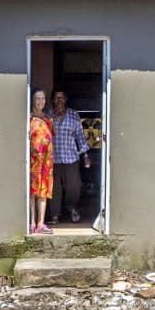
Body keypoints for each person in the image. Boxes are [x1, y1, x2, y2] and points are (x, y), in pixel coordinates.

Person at [46, 89, 91, 224]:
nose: (59, 100)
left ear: (65, 100)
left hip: (71, 158)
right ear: (52, 100)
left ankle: (72, 208)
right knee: (54, 188)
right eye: (56, 98)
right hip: (52, 159)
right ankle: (54, 215)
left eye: (62, 98)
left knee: (74, 186)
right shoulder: (48, 115)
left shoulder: (73, 115)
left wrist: (86, 155)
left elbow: (80, 137)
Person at [28, 88, 54, 234]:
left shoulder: (48, 119)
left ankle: (40, 223)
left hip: (47, 162)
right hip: (33, 161)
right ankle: (32, 222)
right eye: (38, 98)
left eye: (43, 98)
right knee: (33, 192)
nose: (40, 101)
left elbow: (51, 138)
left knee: (44, 192)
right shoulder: (29, 119)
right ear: (33, 100)